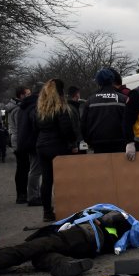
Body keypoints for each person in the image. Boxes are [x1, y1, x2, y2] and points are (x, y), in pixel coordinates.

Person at [0, 206, 139, 276]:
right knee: (40, 256)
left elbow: (110, 218)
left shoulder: (114, 216)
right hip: (87, 248)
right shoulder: (123, 235)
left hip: (79, 235)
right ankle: (63, 263)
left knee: (26, 250)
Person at [36, 79, 78, 222]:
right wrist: (73, 143)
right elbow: (66, 129)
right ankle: (66, 210)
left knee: (47, 181)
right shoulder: (60, 107)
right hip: (58, 146)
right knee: (63, 180)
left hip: (42, 146)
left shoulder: (41, 107)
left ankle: (47, 212)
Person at [82, 68, 128, 153]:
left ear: (98, 82)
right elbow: (130, 121)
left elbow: (84, 124)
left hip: (98, 144)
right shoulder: (123, 99)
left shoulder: (90, 101)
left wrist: (88, 141)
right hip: (120, 143)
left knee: (101, 166)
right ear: (112, 80)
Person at [17, 85, 42, 207]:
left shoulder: (25, 105)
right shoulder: (34, 106)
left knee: (34, 169)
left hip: (26, 141)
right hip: (33, 141)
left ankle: (34, 195)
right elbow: (37, 123)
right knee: (36, 170)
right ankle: (33, 196)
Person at [6, 86, 31, 202]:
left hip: (16, 140)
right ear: (21, 95)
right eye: (28, 94)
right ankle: (22, 195)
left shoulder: (14, 107)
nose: (30, 96)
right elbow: (20, 127)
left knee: (22, 168)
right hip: (19, 141)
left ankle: (21, 194)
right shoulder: (18, 109)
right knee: (23, 168)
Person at [66, 85, 84, 152]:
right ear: (77, 94)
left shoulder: (69, 107)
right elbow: (74, 127)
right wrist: (73, 145)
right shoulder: (72, 109)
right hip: (76, 144)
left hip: (75, 143)